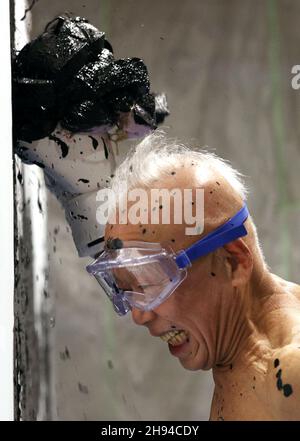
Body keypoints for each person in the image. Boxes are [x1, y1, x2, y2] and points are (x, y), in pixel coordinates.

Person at [87, 132, 300, 420]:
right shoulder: (242, 359)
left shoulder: (289, 375)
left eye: (150, 282)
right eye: (125, 288)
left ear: (233, 261)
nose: (139, 315)